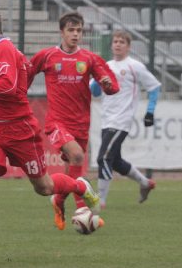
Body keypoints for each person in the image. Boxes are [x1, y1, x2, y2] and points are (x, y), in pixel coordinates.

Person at [0, 7, 101, 264]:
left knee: (44, 187)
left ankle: (79, 185)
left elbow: (7, 84)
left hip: (19, 130)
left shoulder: (2, 49)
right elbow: (22, 73)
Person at [27, 12, 119, 230]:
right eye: (71, 30)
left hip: (81, 123)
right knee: (77, 156)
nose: (75, 34)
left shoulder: (89, 59)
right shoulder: (47, 56)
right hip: (57, 122)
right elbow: (26, 75)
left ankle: (58, 201)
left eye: (79, 30)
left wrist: (106, 84)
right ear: (62, 32)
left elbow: (113, 86)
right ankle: (82, 210)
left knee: (71, 172)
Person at [90, 29, 161, 208]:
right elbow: (94, 91)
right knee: (115, 161)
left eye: (122, 42)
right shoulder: (105, 66)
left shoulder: (134, 66)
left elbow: (154, 87)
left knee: (103, 158)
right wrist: (99, 81)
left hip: (122, 120)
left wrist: (150, 111)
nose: (118, 45)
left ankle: (101, 200)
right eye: (115, 42)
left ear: (128, 47)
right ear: (111, 45)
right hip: (107, 119)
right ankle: (145, 183)